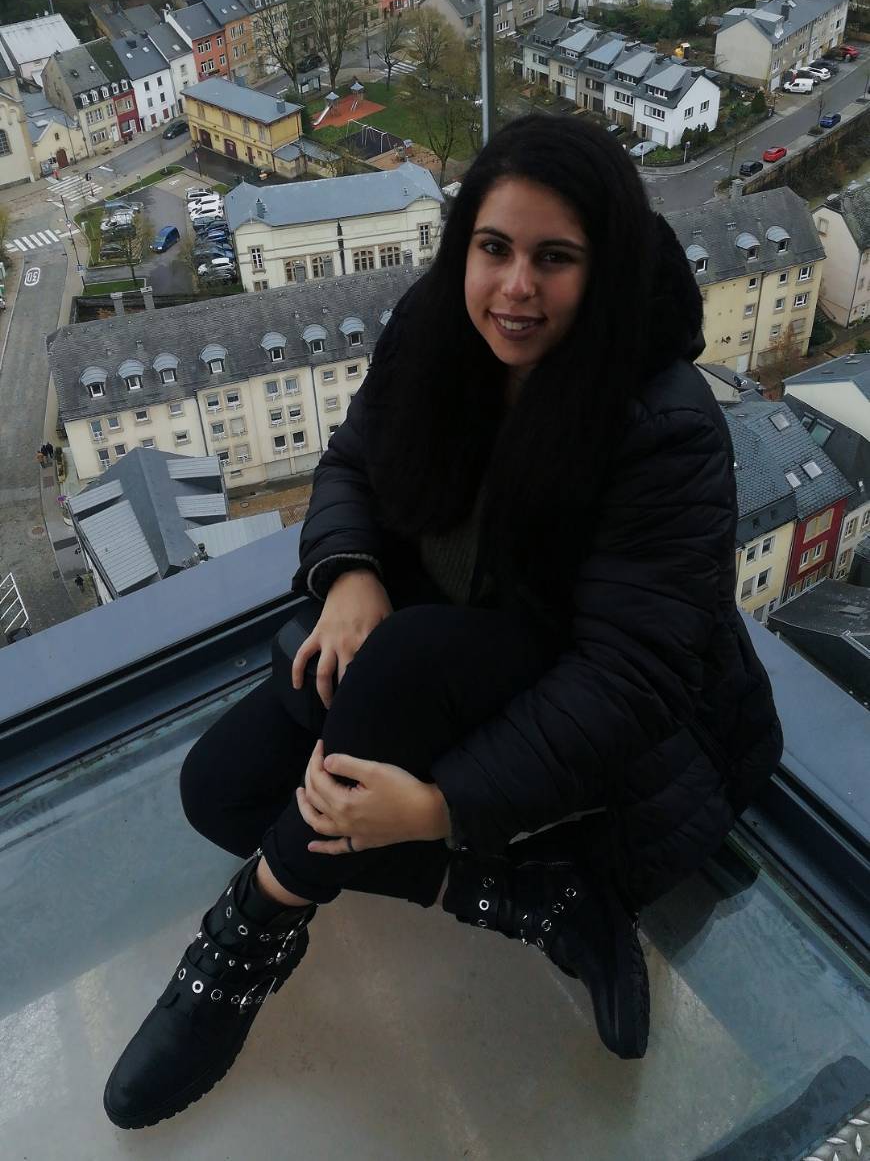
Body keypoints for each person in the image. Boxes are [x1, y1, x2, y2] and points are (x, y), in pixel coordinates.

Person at [103, 116, 783, 1130]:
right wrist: (351, 571)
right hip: (424, 666)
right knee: (221, 788)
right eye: (495, 248)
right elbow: (350, 462)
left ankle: (246, 940)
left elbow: (631, 680)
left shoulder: (664, 419)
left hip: (592, 725)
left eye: (556, 259)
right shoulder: (438, 328)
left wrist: (439, 807)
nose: (516, 286)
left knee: (407, 660)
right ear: (464, 243)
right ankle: (530, 895)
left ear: (606, 270)